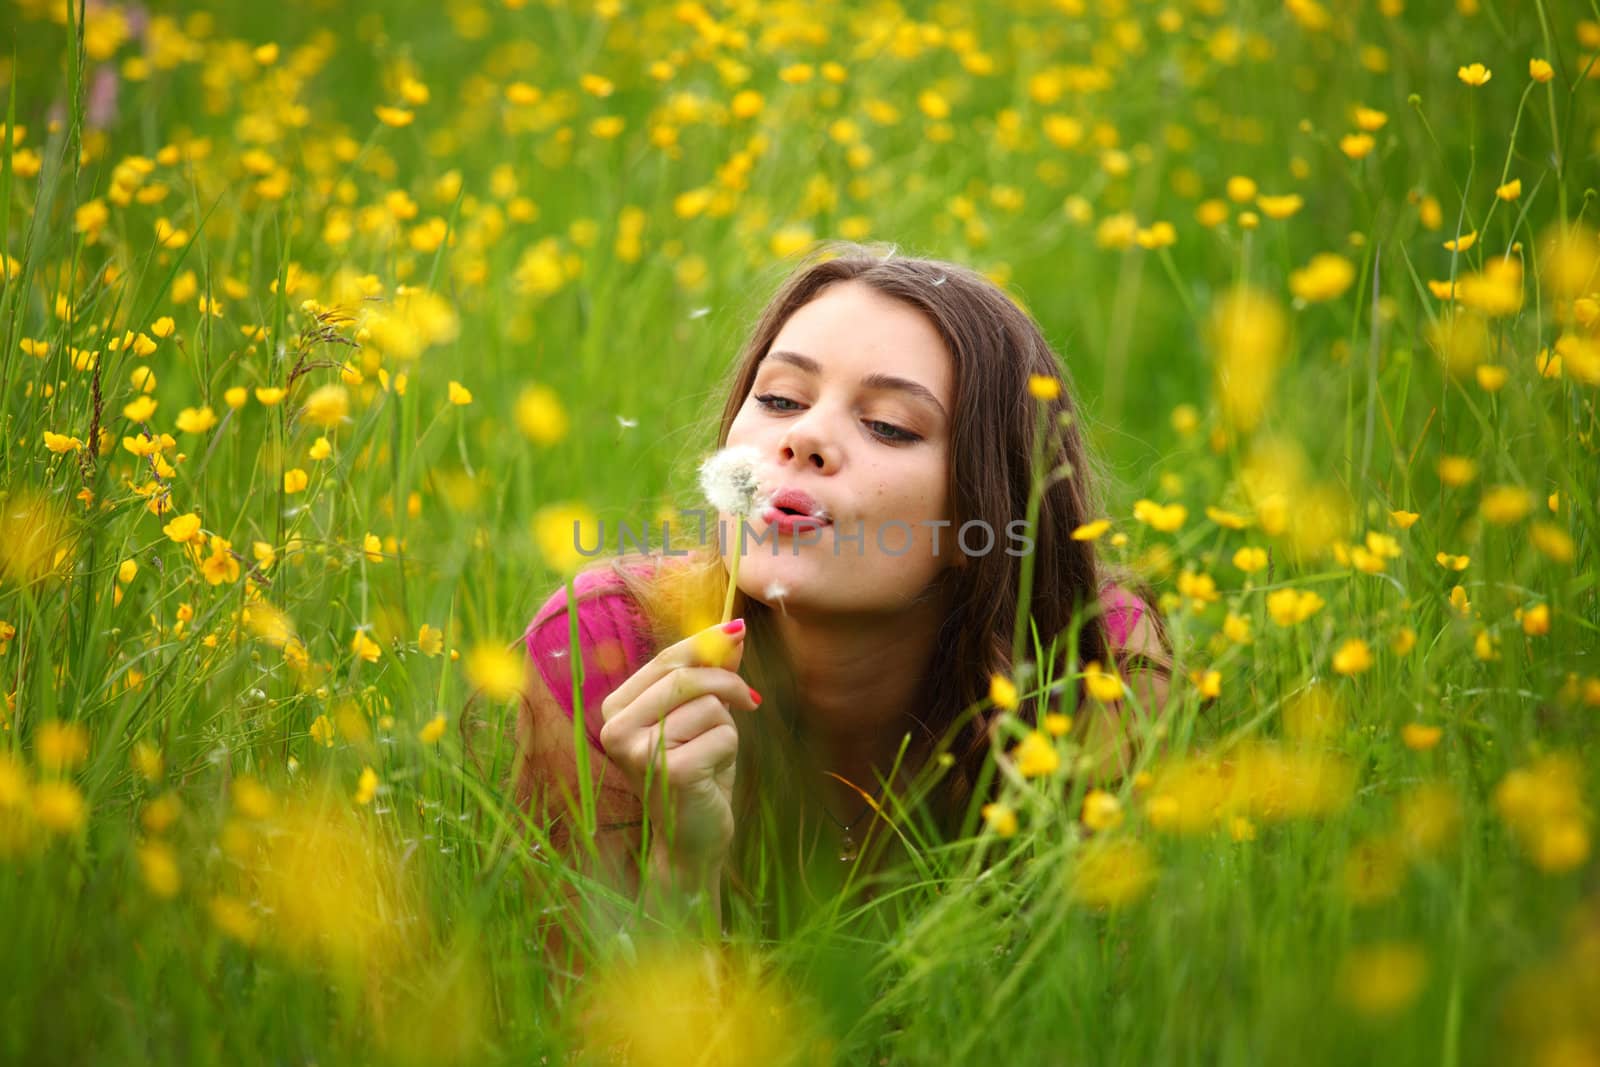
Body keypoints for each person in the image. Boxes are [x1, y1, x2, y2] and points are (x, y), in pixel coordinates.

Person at [511, 244, 1172, 973]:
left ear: (983, 509)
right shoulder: (603, 647)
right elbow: (579, 1028)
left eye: (889, 424)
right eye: (780, 399)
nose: (804, 437)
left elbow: (1110, 1003)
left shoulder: (1089, 661)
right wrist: (680, 867)